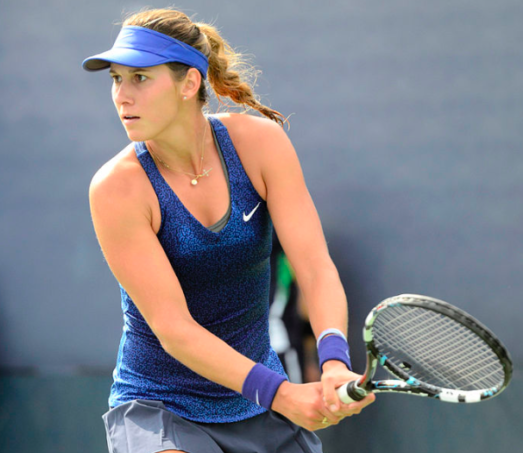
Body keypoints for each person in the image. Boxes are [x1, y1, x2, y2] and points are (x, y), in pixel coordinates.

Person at [83, 8, 374, 453]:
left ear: (189, 83)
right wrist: (282, 394)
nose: (122, 95)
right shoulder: (117, 189)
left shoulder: (260, 144)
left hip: (256, 401)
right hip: (161, 408)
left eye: (139, 78)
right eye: (116, 79)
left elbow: (315, 268)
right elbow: (174, 329)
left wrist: (333, 363)